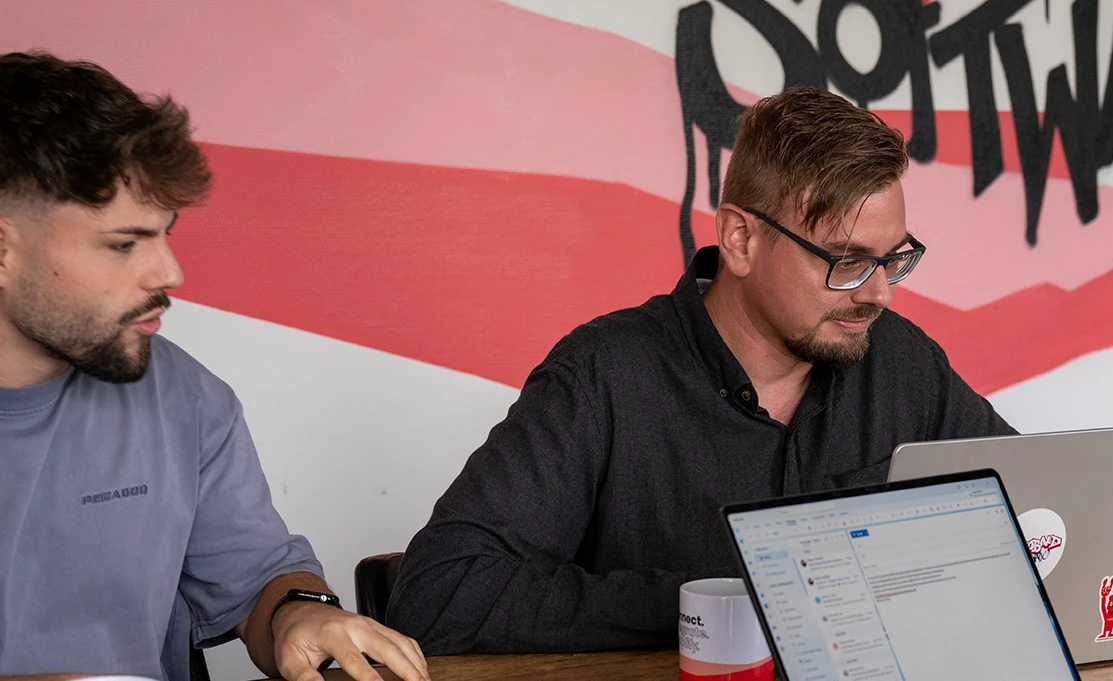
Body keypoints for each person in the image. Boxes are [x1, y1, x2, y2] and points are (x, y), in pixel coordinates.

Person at [387, 87, 1014, 653]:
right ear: (741, 239)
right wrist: (724, 600)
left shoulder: (900, 360)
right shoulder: (604, 375)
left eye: (893, 259)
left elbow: (1032, 512)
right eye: (846, 261)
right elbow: (440, 593)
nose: (879, 295)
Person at [0, 52, 428, 681]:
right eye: (124, 244)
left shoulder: (183, 394)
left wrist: (297, 615)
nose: (170, 274)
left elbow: (258, 581)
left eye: (165, 234)